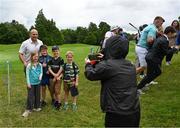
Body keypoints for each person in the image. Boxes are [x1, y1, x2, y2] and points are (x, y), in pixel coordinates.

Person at [85, 35, 140, 127]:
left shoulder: (107, 66)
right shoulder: (130, 64)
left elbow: (91, 74)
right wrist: (105, 58)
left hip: (116, 113)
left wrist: (88, 64)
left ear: (109, 47)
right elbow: (114, 65)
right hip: (134, 110)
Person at [137, 26, 177, 94]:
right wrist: (174, 49)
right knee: (157, 72)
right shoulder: (164, 40)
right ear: (170, 33)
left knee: (150, 74)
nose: (174, 35)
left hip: (150, 57)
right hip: (153, 59)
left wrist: (170, 48)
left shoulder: (161, 38)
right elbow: (166, 52)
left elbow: (163, 48)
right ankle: (138, 88)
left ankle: (143, 84)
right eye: (173, 34)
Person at [22, 52, 43, 117]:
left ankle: (37, 107)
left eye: (37, 57)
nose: (36, 58)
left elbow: (41, 72)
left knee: (37, 95)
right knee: (30, 96)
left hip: (38, 83)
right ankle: (29, 108)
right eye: (34, 57)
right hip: (31, 83)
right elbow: (27, 75)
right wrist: (28, 83)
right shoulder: (29, 65)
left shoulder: (40, 65)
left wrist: (40, 76)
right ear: (32, 57)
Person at [48, 45, 64, 110]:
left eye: (57, 51)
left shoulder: (61, 59)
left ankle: (59, 103)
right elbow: (49, 68)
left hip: (58, 78)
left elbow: (61, 68)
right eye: (54, 51)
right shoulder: (50, 59)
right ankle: (55, 100)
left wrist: (57, 76)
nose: (55, 52)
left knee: (57, 90)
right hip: (51, 77)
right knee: (52, 90)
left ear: (59, 51)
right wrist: (54, 75)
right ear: (52, 52)